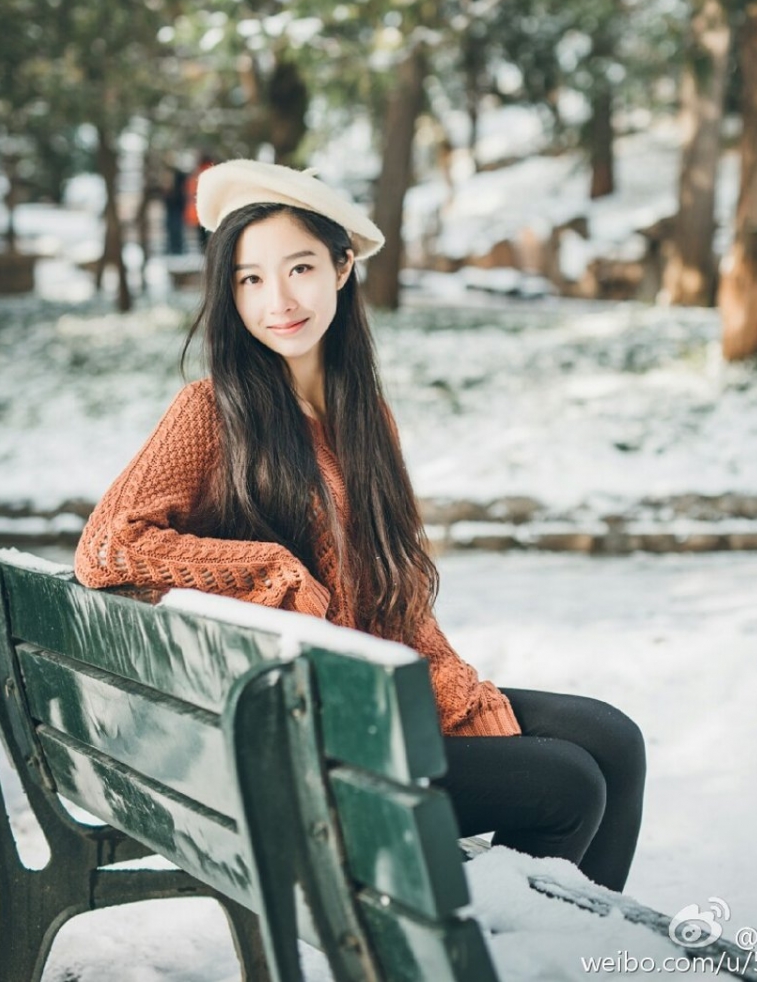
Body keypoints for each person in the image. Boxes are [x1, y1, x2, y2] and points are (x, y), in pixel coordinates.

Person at [74, 160, 646, 892]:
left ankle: (561, 956)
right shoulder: (211, 411)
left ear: (343, 267)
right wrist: (272, 571)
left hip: (364, 700)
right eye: (249, 279)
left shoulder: (364, 420)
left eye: (299, 268)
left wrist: (456, 693)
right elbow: (107, 546)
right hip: (302, 737)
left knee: (611, 740)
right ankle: (506, 955)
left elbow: (390, 593)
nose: (276, 300)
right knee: (566, 783)